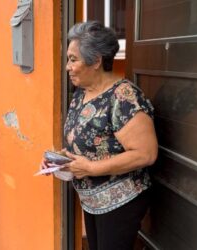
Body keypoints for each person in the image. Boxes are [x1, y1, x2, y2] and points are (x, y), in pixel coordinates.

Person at [42, 21, 158, 250]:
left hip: (121, 203)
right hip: (92, 201)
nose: (68, 66)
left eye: (73, 59)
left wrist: (91, 168)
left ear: (96, 61)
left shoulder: (123, 97)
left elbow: (146, 154)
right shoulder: (81, 92)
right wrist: (61, 160)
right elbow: (89, 140)